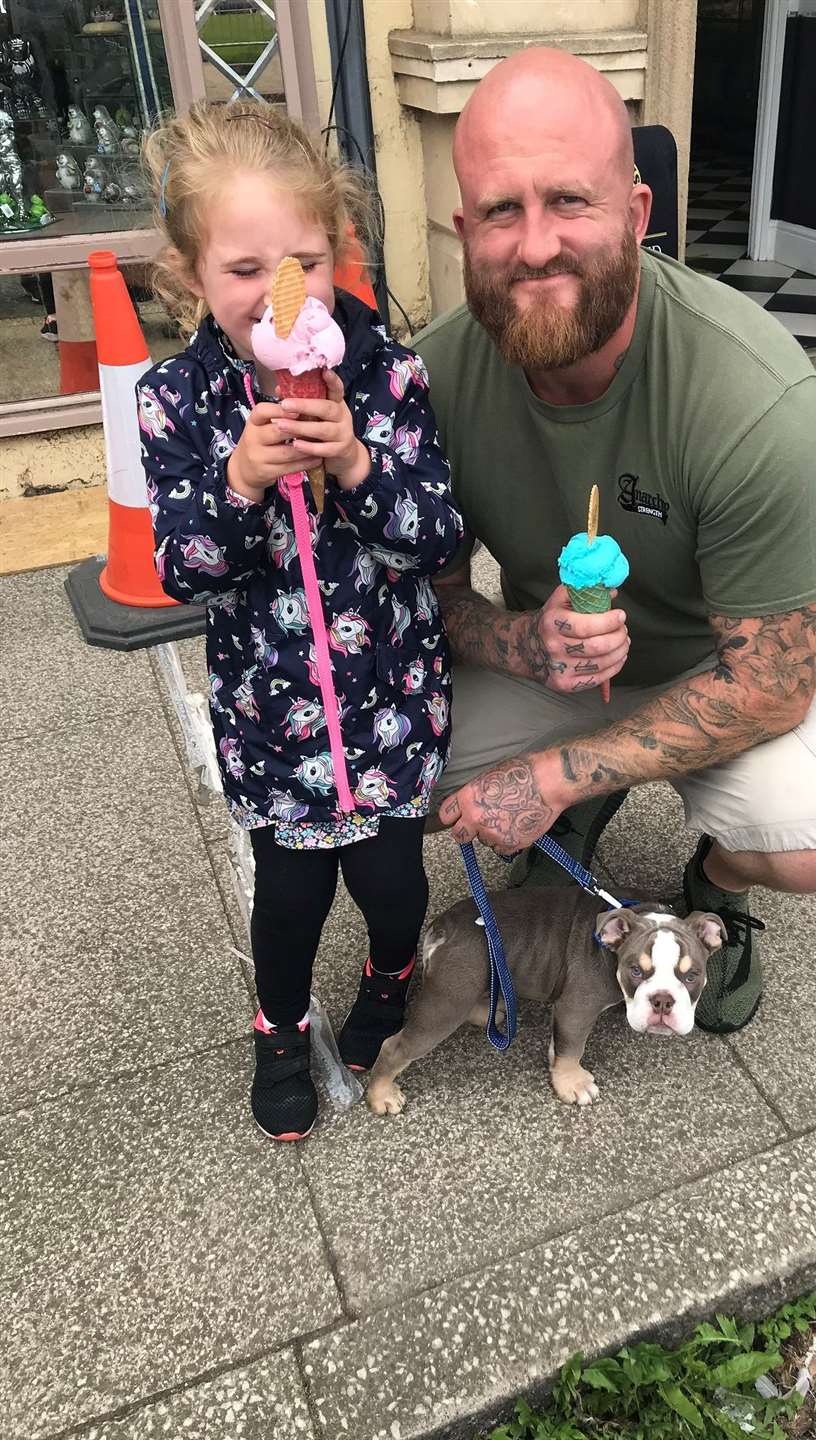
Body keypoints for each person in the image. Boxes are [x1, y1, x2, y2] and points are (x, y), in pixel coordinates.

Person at [415, 48, 816, 1035]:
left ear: (636, 212)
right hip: (554, 673)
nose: (535, 245)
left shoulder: (749, 394)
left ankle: (709, 883)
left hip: (711, 670)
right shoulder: (434, 379)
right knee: (384, 763)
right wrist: (523, 643)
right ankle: (582, 802)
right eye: (502, 209)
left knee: (813, 840)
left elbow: (773, 681)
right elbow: (436, 598)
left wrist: (558, 773)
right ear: (464, 230)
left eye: (568, 201)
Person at [138, 102, 462, 1140]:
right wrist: (236, 480)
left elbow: (439, 538)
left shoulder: (390, 375)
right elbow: (182, 567)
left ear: (338, 255)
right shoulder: (175, 400)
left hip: (390, 710)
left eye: (305, 262)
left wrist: (360, 464)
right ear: (191, 273)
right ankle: (279, 1026)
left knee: (392, 879)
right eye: (244, 270)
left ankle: (388, 977)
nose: (280, 290)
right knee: (287, 900)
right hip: (273, 722)